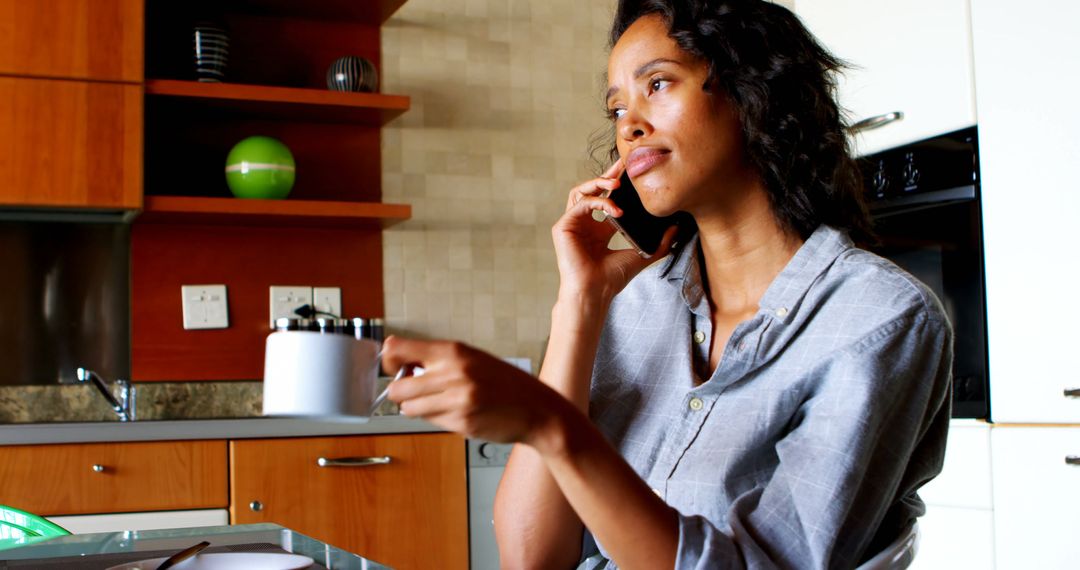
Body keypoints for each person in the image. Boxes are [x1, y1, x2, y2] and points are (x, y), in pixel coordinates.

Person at [382, 0, 953, 567]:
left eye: (657, 84)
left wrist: (550, 425)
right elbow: (532, 558)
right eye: (616, 109)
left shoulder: (880, 320)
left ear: (754, 92)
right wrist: (580, 302)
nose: (628, 126)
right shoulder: (633, 305)